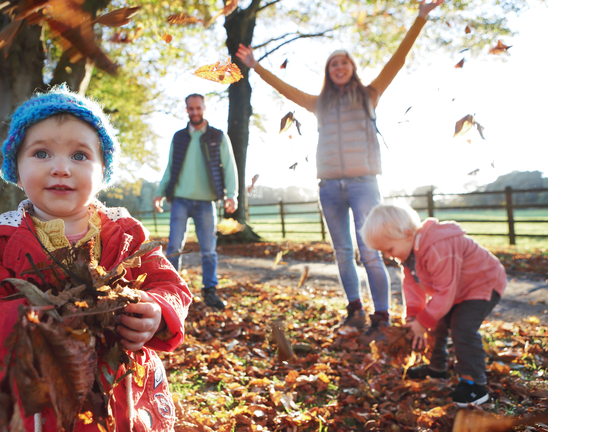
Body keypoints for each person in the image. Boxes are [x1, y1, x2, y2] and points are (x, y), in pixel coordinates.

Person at [0, 86, 192, 432]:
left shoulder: (126, 231)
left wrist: (155, 311)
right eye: (41, 153)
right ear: (16, 166)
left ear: (103, 171)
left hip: (119, 387)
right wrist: (22, 327)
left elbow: (169, 284)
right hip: (35, 391)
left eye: (79, 156)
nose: (61, 168)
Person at [235, 0, 445, 340]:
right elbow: (285, 90)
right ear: (328, 71)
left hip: (364, 184)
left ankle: (381, 316)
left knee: (371, 251)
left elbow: (398, 61)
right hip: (329, 187)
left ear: (352, 67)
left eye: (344, 61)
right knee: (343, 252)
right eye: (333, 63)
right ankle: (354, 311)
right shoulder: (319, 104)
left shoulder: (369, 95)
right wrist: (255, 66)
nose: (339, 66)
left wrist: (420, 19)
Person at [360, 203, 506, 406]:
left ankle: (474, 385)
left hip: (482, 283)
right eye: (384, 252)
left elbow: (445, 292)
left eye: (389, 249)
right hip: (457, 290)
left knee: (462, 328)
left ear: (408, 234)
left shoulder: (438, 246)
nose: (388, 256)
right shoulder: (410, 256)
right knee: (436, 323)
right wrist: (414, 318)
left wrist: (423, 321)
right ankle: (437, 369)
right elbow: (412, 288)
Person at [153, 94, 238, 310]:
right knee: (174, 246)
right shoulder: (179, 137)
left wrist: (232, 195)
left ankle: (210, 291)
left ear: (204, 108)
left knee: (208, 250)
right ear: (186, 110)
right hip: (180, 199)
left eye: (198, 108)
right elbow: (170, 165)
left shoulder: (217, 136)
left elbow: (229, 166)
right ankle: (171, 290)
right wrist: (160, 192)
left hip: (206, 202)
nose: (195, 112)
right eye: (190, 108)